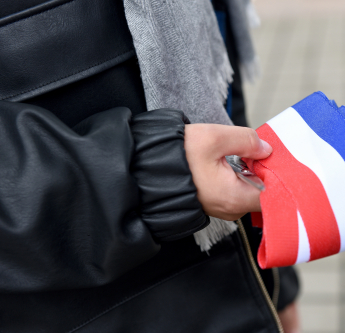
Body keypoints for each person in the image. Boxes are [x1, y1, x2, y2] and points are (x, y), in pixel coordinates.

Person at [0, 0, 299, 332]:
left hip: (233, 289)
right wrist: (157, 174)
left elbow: (218, 90)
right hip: (86, 309)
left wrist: (275, 281)